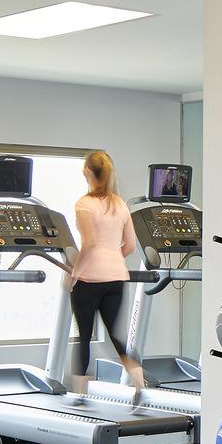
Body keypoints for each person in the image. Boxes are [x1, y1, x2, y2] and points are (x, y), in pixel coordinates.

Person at [64, 149, 146, 398]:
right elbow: (130, 245)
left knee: (84, 337)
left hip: (89, 279)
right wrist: (112, 259)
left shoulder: (84, 203)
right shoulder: (119, 204)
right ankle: (140, 384)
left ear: (88, 171)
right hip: (117, 278)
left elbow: (88, 243)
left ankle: (80, 395)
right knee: (116, 335)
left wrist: (74, 273)